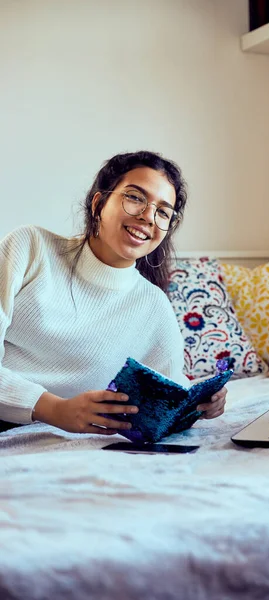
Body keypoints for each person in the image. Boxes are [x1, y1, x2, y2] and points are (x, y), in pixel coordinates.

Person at [0, 151, 227, 436]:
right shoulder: (30, 248)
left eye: (163, 212)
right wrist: (55, 409)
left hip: (66, 446)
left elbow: (170, 394)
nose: (147, 217)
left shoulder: (153, 305)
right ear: (99, 203)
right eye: (134, 197)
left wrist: (202, 405)